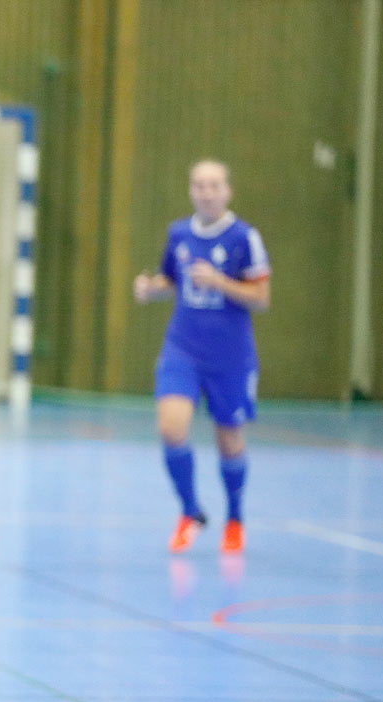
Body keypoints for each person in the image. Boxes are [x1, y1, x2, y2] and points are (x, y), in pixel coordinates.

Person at [133, 159, 270, 554]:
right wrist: (149, 288)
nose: (206, 192)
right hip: (183, 350)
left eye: (214, 185)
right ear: (191, 190)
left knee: (229, 440)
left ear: (228, 191)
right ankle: (191, 511)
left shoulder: (245, 237)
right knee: (171, 429)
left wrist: (220, 282)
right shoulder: (179, 234)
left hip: (231, 357)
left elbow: (261, 297)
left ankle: (235, 518)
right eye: (199, 185)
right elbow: (170, 281)